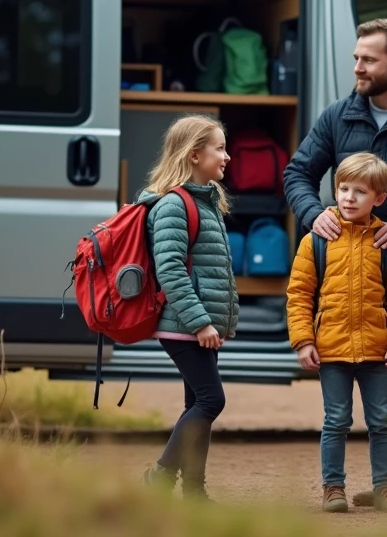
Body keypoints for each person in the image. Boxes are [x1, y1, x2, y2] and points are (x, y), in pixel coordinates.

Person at [283, 18, 387, 509]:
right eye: (357, 57)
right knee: (383, 372)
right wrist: (315, 215)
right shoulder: (338, 117)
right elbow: (297, 172)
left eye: (368, 59)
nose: (357, 67)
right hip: (348, 266)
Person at [286, 152, 387, 514]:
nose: (348, 197)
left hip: (377, 352)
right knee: (336, 420)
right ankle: (333, 487)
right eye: (343, 188)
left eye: (360, 191)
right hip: (332, 351)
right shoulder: (317, 240)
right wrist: (304, 340)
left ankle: (386, 487)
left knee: (382, 421)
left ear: (379, 198)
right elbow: (298, 294)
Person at [137, 114, 239, 501]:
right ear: (194, 155)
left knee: (198, 403)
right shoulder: (173, 205)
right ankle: (159, 478)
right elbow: (170, 270)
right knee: (212, 400)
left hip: (195, 324)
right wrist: (200, 323)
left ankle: (194, 492)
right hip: (183, 324)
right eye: (219, 148)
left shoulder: (207, 200)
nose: (226, 156)